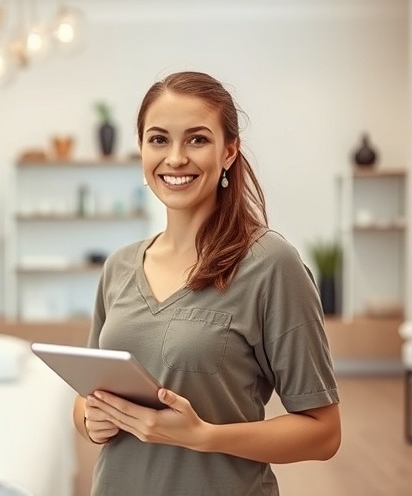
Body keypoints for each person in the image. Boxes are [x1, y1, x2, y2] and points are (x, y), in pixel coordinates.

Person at [72, 71, 341, 496]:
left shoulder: (272, 265)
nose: (175, 158)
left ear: (229, 151)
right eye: (158, 139)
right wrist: (91, 419)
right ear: (141, 149)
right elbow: (86, 399)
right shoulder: (119, 266)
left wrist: (204, 436)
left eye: (197, 139)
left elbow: (323, 433)